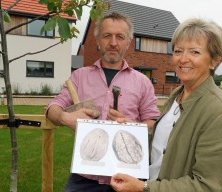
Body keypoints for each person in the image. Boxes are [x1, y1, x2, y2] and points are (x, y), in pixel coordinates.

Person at [110, 18, 222, 192]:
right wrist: (131, 129)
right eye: (178, 51)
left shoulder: (220, 114)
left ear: (214, 61)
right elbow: (164, 143)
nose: (183, 59)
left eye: (194, 52)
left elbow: (206, 185)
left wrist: (144, 188)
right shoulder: (177, 94)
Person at [46, 12, 160, 192]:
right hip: (85, 177)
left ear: (128, 42)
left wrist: (130, 125)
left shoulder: (142, 82)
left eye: (120, 37)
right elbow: (52, 109)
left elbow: (153, 124)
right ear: (98, 40)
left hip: (129, 177)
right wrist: (65, 117)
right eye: (107, 36)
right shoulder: (79, 77)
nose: (113, 42)